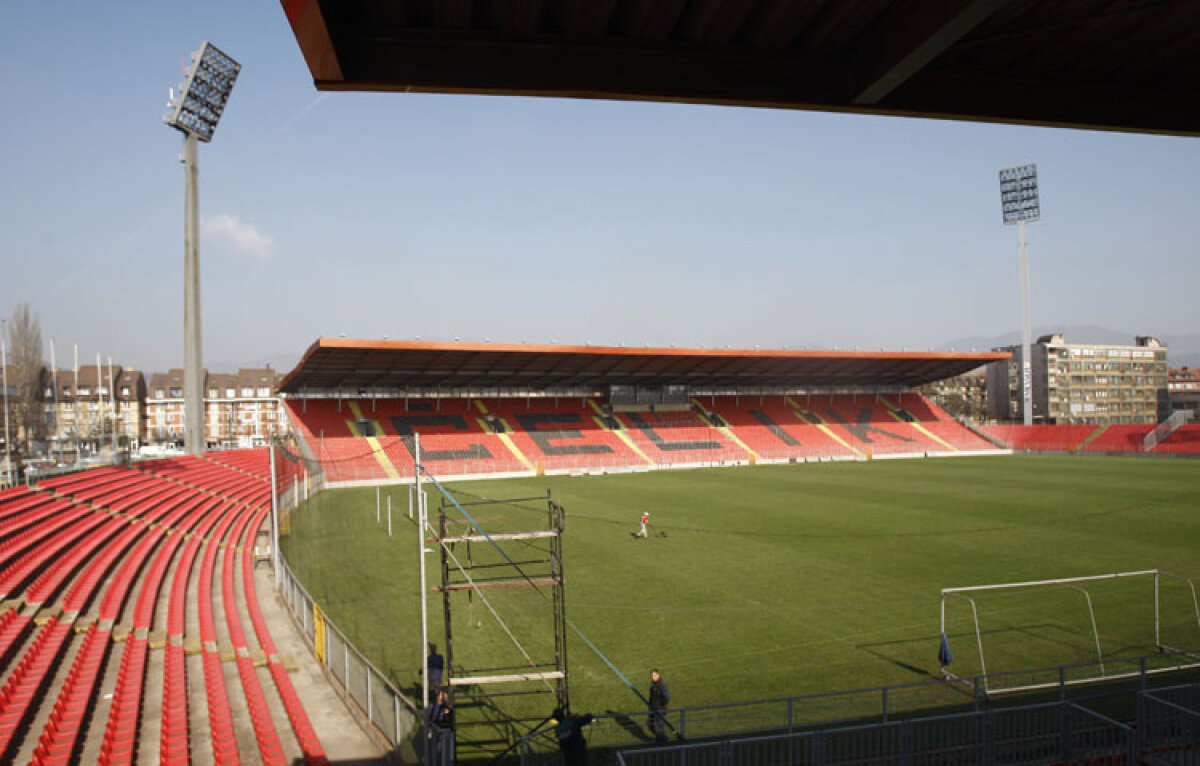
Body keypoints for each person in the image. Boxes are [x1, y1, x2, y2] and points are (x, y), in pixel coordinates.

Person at [425, 690, 454, 764]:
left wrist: (445, 703)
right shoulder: (434, 706)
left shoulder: (446, 706)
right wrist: (430, 731)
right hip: (438, 732)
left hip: (446, 732)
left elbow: (449, 713)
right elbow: (432, 719)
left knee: (448, 753)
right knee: (438, 753)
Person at [648, 668, 670, 745]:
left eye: (654, 675)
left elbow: (667, 697)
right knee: (653, 725)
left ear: (658, 675)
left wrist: (660, 704)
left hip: (659, 709)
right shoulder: (654, 683)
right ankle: (661, 741)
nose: (652, 677)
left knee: (659, 726)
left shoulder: (661, 684)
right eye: (651, 675)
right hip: (653, 708)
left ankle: (662, 742)